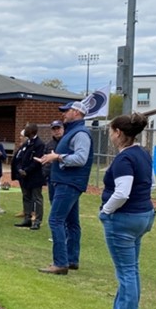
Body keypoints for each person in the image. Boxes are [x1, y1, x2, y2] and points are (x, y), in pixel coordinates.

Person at [95, 113, 156, 309]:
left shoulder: (124, 159)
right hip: (143, 215)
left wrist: (106, 211)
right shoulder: (142, 154)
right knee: (131, 268)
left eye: (111, 131)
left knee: (126, 272)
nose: (110, 135)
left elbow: (122, 192)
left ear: (118, 133)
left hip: (124, 219)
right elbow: (152, 184)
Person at [38, 101, 95, 275]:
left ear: (77, 113)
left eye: (66, 111)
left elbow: (80, 158)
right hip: (67, 181)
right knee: (72, 222)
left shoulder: (80, 133)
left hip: (68, 182)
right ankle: (71, 259)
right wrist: (53, 157)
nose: (63, 114)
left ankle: (60, 263)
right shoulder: (73, 131)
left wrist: (57, 157)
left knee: (55, 220)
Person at [12, 123, 47, 229]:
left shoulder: (39, 144)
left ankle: (37, 221)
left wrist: (26, 170)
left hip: (35, 176)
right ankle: (27, 218)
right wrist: (19, 169)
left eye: (26, 129)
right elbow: (20, 157)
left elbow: (37, 161)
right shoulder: (27, 143)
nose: (24, 131)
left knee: (37, 198)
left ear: (32, 131)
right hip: (24, 176)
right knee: (26, 197)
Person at [43, 120, 64, 203]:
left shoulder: (67, 142)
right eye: (54, 129)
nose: (56, 131)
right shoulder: (49, 144)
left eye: (58, 128)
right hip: (51, 177)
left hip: (63, 178)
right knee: (53, 200)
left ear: (63, 129)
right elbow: (44, 158)